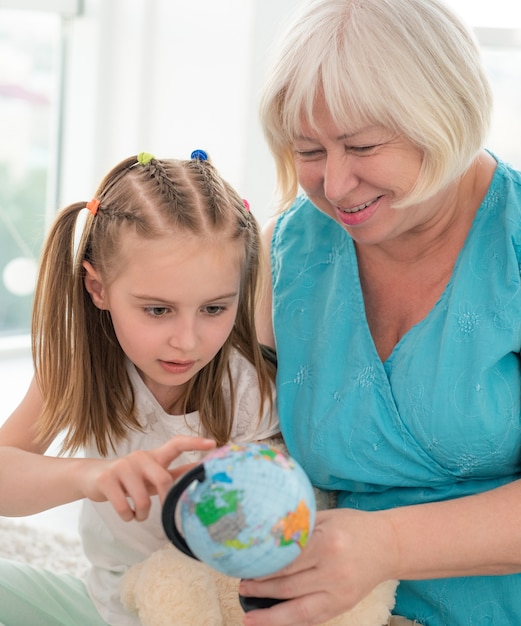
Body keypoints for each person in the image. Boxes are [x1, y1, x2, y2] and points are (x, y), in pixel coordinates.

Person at [240, 0, 521, 624]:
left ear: (443, 118)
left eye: (362, 146)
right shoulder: (286, 250)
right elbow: (246, 431)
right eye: (308, 150)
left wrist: (387, 544)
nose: (335, 186)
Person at [0, 150, 280, 625]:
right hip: (105, 604)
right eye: (157, 310)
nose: (187, 341)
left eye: (214, 309)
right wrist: (91, 477)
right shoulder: (78, 365)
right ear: (98, 288)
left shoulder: (248, 389)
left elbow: (276, 538)